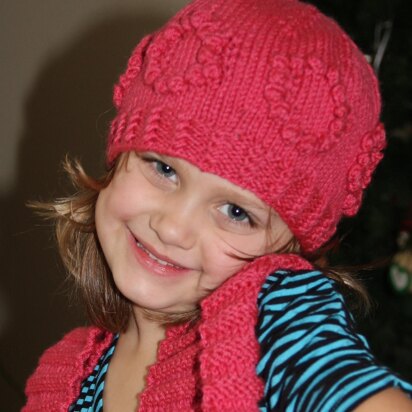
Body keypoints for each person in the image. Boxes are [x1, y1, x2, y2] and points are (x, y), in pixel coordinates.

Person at [23, 0, 412, 410]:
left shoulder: (269, 328)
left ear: (288, 254)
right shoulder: (66, 366)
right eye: (163, 169)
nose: (172, 228)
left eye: (236, 212)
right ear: (118, 156)